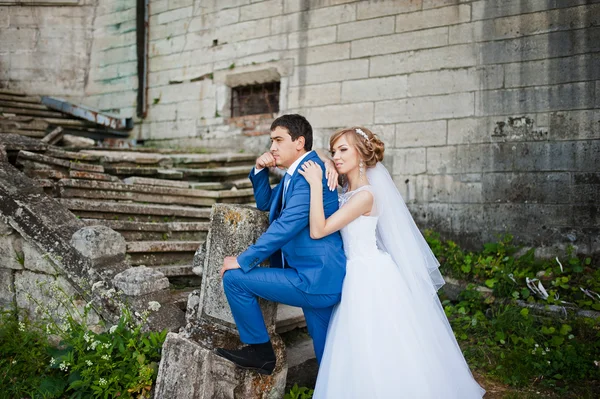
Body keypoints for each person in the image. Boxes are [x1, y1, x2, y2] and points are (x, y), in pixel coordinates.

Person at [298, 126, 486, 398]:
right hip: (354, 271)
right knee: (358, 346)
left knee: (376, 344)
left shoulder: (365, 196)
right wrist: (326, 161)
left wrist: (316, 184)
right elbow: (315, 155)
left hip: (367, 274)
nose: (336, 156)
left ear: (361, 156)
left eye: (343, 150)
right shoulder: (347, 187)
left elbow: (318, 230)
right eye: (334, 151)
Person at [215, 114, 346, 375]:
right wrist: (260, 170)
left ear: (299, 142)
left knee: (234, 279)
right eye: (271, 140)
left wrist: (241, 260)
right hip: (317, 276)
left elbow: (285, 226)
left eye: (278, 140)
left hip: (314, 278)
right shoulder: (294, 176)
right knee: (328, 356)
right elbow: (267, 205)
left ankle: (260, 352)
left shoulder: (313, 173)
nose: (272, 147)